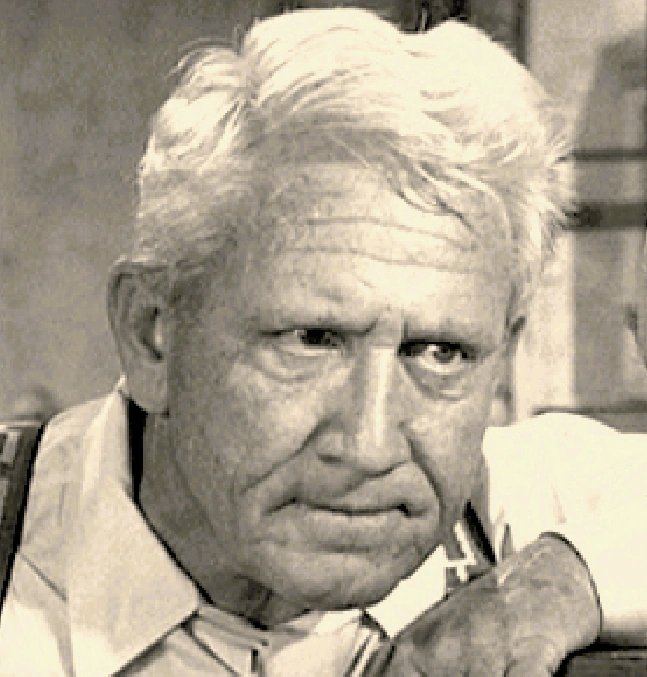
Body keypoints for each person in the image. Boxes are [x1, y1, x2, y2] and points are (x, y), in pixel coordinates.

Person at [1, 8, 646, 675]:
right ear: (152, 335)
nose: (370, 446)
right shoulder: (20, 565)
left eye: (440, 353)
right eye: (312, 340)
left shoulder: (532, 509)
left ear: (503, 354)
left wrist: (562, 581)